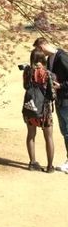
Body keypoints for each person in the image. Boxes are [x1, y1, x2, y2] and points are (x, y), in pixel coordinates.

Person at [34, 37, 68, 172]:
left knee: (67, 132)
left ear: (42, 47)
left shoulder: (62, 57)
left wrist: (61, 86)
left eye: (39, 50)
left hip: (66, 99)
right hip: (59, 100)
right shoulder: (50, 59)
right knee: (65, 131)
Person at [22, 50, 55, 172]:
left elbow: (25, 87)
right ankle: (50, 166)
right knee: (49, 137)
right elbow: (51, 94)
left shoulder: (27, 72)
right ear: (43, 60)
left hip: (31, 108)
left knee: (31, 135)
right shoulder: (48, 74)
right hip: (44, 110)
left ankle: (32, 163)